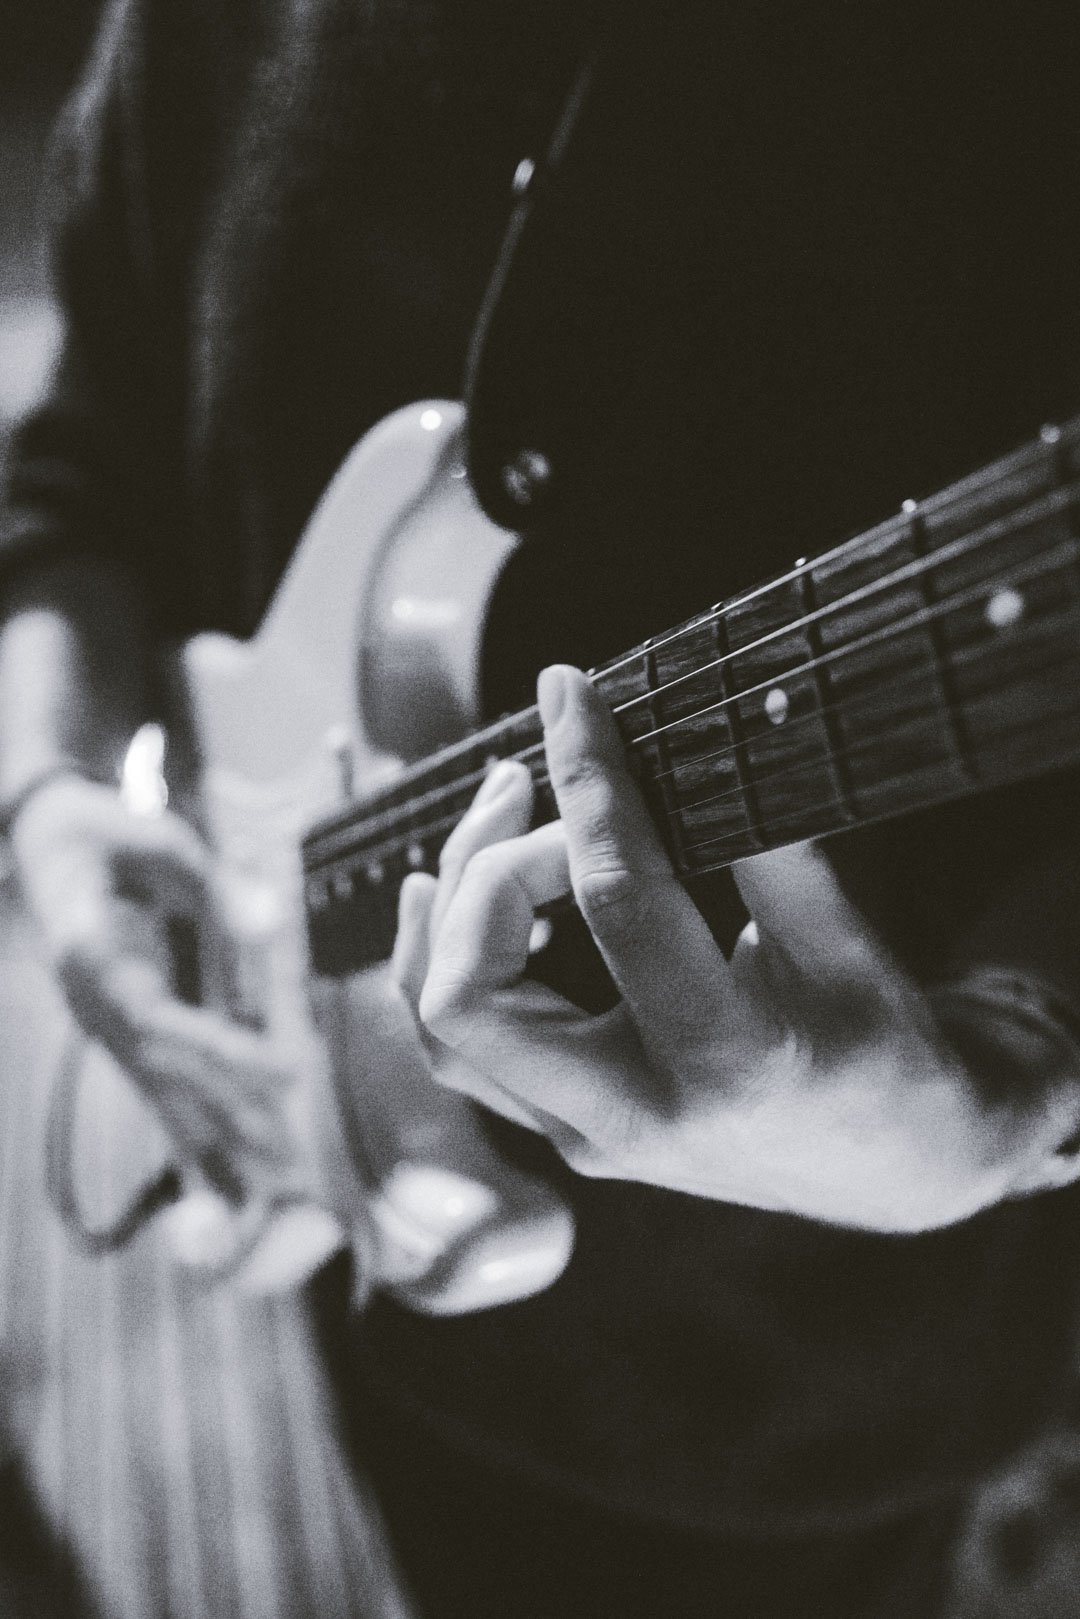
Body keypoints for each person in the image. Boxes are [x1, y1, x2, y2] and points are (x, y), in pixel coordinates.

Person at [3, 0, 1080, 1614]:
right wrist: (49, 789)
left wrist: (1026, 1075)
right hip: (370, 1203)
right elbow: (80, 462)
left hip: (799, 1371)